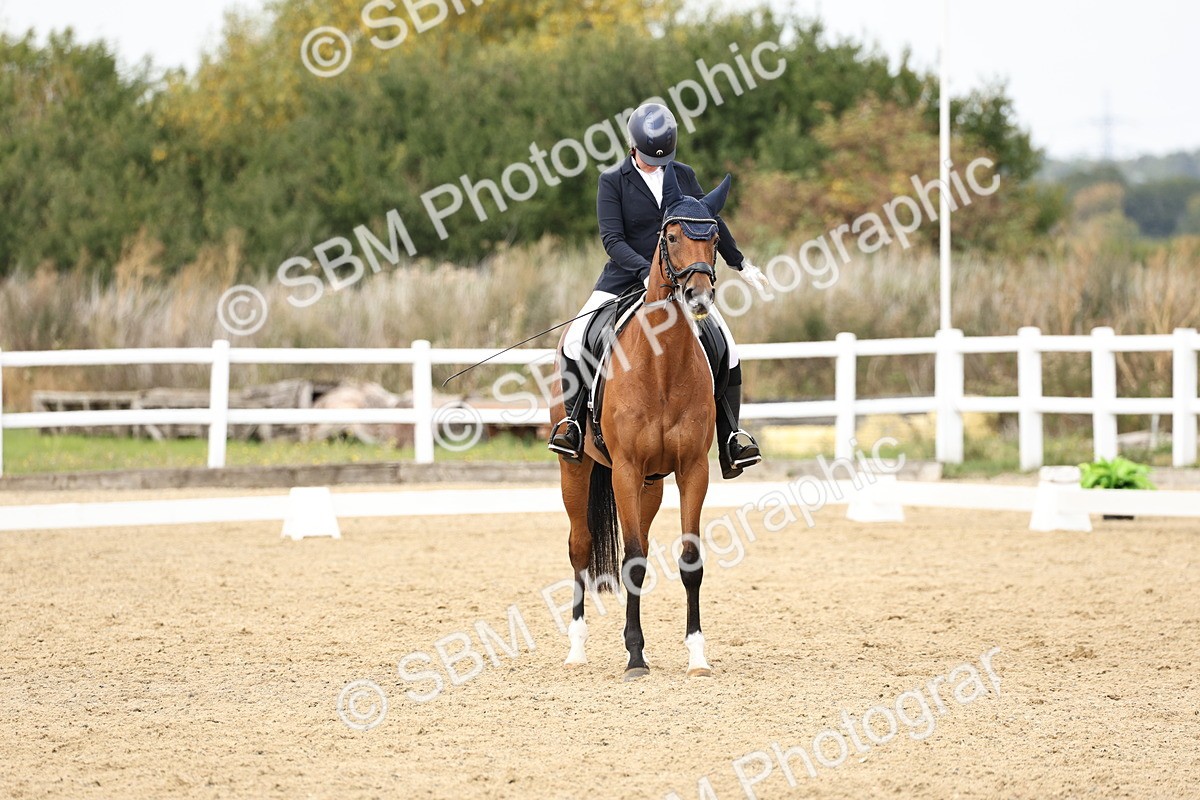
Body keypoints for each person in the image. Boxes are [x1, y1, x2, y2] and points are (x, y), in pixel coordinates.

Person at [548, 102, 768, 479]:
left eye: (661, 159)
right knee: (575, 340)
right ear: (633, 146)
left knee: (726, 343)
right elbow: (612, 239)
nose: (656, 165)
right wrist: (646, 274)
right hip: (623, 279)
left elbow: (709, 221)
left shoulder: (682, 175)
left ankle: (731, 436)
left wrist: (741, 263)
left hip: (681, 282)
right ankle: (573, 425)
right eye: (649, 158)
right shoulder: (613, 181)